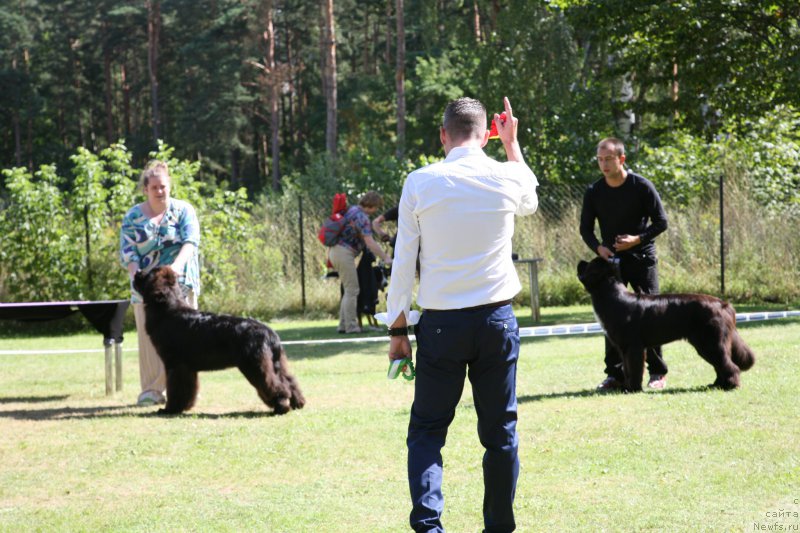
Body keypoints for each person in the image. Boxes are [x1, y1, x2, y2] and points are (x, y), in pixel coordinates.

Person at [385, 96, 538, 532]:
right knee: (500, 432)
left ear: (443, 135)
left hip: (441, 325)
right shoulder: (507, 175)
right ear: (486, 133)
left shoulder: (420, 181)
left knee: (428, 431)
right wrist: (511, 145)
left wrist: (398, 328)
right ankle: (499, 529)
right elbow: (530, 200)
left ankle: (430, 527)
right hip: (495, 322)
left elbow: (403, 262)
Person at [579, 137, 669, 391]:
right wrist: (599, 248)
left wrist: (636, 240)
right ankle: (615, 375)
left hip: (642, 259)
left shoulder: (641, 186)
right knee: (613, 318)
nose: (604, 164)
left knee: (652, 316)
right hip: (612, 264)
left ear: (621, 159)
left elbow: (661, 222)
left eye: (609, 159)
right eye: (600, 159)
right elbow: (585, 229)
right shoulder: (594, 191)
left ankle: (657, 374)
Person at [120, 160, 201, 406]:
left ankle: (186, 391)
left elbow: (190, 242)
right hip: (147, 291)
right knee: (151, 339)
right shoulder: (133, 216)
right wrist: (136, 276)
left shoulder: (184, 210)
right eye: (154, 187)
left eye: (163, 186)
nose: (159, 191)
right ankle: (152, 390)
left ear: (169, 186)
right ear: (145, 189)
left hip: (181, 285)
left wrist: (174, 269)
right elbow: (128, 253)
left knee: (186, 340)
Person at [328, 191, 392, 334]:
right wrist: (385, 257)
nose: (376, 210)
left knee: (349, 289)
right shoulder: (361, 216)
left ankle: (343, 325)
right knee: (352, 290)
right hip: (344, 253)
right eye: (376, 207)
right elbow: (369, 241)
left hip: (336, 252)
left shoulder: (351, 210)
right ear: (372, 205)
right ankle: (351, 326)